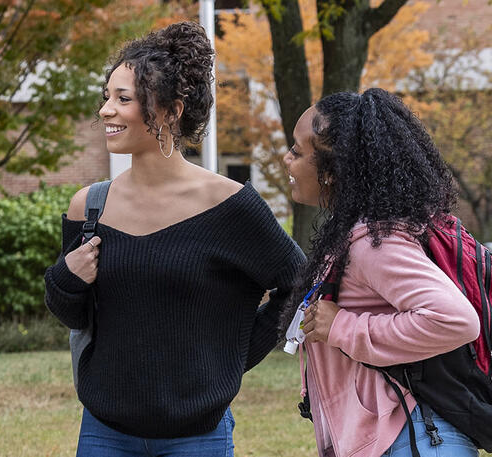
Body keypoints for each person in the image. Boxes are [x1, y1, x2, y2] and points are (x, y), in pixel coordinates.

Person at [43, 22, 305, 457]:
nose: (106, 110)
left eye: (123, 99)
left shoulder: (231, 205)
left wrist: (233, 358)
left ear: (171, 111)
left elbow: (299, 282)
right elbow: (73, 314)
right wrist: (66, 278)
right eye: (106, 97)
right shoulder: (88, 207)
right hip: (104, 432)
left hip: (197, 436)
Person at [280, 88, 481, 457]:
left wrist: (343, 327)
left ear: (332, 171)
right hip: (392, 438)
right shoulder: (352, 235)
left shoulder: (375, 244)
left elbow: (457, 321)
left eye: (296, 150)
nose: (286, 159)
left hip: (412, 441)